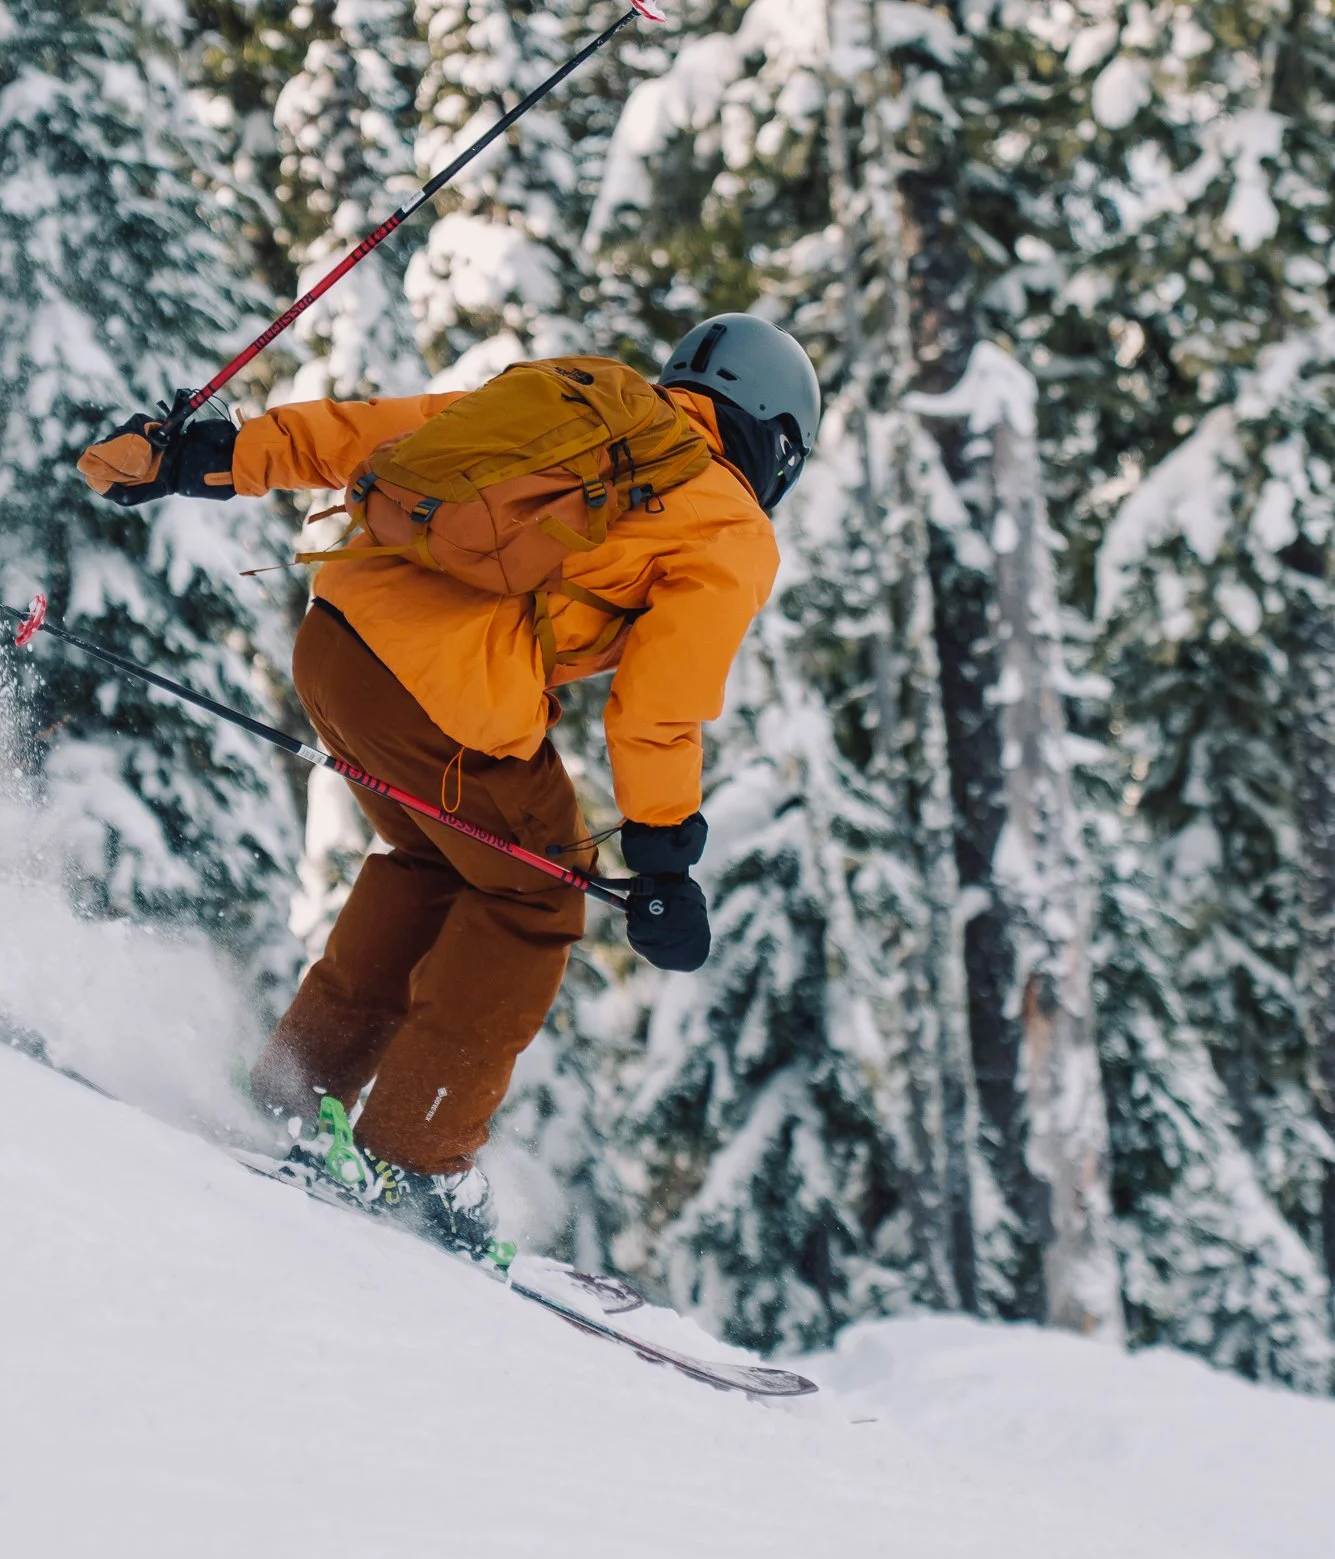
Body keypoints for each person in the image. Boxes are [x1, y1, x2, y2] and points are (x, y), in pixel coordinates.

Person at [79, 314, 819, 1258]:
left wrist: (208, 458)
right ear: (777, 439)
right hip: (435, 699)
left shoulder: (582, 402)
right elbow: (657, 708)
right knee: (537, 888)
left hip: (335, 642)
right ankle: (414, 1160)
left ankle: (295, 1097)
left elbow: (374, 430)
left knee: (438, 859)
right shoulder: (730, 524)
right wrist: (665, 858)